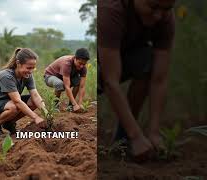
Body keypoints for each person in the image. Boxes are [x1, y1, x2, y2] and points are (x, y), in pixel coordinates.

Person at [99, 0, 175, 159]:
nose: (158, 15)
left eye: (166, 9)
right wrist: (137, 136)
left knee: (148, 61)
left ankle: (122, 138)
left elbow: (159, 79)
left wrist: (153, 132)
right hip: (89, 68)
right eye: (153, 7)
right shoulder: (110, 10)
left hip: (120, 59)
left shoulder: (165, 18)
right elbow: (110, 81)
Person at [0, 48, 46, 135]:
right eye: (28, 68)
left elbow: (35, 95)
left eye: (33, 68)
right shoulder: (6, 76)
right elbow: (17, 101)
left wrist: (46, 113)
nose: (30, 71)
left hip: (9, 102)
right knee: (14, 107)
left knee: (33, 101)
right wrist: (36, 117)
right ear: (18, 63)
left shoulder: (27, 75)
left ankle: (9, 123)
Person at [44, 48, 90, 112]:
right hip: (50, 76)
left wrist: (79, 103)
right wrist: (75, 104)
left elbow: (82, 86)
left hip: (64, 77)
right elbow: (67, 87)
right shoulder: (67, 64)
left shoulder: (83, 67)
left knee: (78, 83)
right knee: (59, 84)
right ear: (75, 58)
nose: (81, 66)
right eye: (80, 63)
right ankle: (55, 106)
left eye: (84, 64)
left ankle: (70, 106)